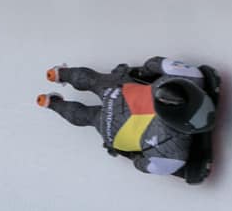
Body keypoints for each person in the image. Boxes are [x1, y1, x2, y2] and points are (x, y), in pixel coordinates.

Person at [37, 57, 220, 181]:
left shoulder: (189, 76)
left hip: (119, 93)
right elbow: (143, 165)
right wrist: (131, 154)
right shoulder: (172, 153)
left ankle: (58, 78)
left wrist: (141, 73)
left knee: (93, 81)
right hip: (117, 131)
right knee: (89, 116)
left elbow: (153, 64)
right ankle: (52, 103)